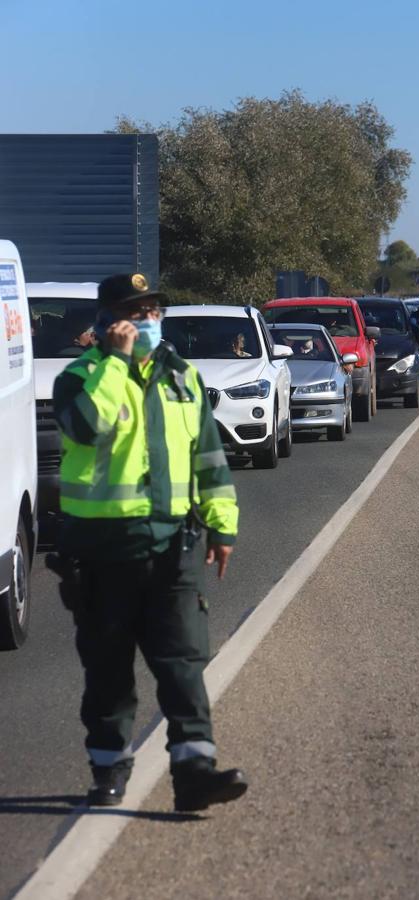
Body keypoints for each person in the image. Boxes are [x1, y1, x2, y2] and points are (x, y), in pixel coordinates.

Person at [50, 273, 247, 812]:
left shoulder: (182, 378)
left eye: (154, 312)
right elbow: (86, 428)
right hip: (102, 551)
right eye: (135, 313)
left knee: (182, 664)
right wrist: (114, 365)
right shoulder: (77, 379)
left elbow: (209, 458)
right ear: (107, 321)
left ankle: (195, 773)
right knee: (109, 674)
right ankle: (109, 769)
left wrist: (222, 525)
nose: (147, 321)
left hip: (171, 548)